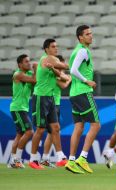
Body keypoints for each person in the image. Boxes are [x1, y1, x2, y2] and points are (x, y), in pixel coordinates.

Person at [65, 25, 101, 174]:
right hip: (83, 92)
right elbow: (73, 70)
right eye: (87, 34)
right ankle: (83, 157)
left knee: (79, 127)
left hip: (74, 93)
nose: (91, 36)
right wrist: (87, 81)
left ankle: (71, 160)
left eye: (91, 33)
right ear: (80, 37)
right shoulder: (82, 50)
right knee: (96, 125)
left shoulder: (76, 50)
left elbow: (71, 68)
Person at [29, 39, 69, 169]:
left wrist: (53, 69)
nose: (56, 49)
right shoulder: (49, 58)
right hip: (41, 96)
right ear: (46, 49)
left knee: (55, 128)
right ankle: (33, 159)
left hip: (50, 97)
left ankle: (60, 156)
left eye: (56, 46)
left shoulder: (52, 61)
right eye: (53, 47)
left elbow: (60, 74)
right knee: (40, 129)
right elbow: (65, 67)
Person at [40, 55, 71, 168]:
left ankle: (45, 158)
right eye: (60, 65)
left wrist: (67, 78)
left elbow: (65, 78)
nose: (61, 68)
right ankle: (57, 157)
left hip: (55, 104)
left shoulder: (58, 74)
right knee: (53, 132)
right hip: (52, 104)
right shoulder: (54, 75)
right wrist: (68, 79)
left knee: (51, 133)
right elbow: (63, 84)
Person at [8, 54, 36, 168]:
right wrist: (36, 69)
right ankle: (17, 159)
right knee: (29, 132)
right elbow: (34, 80)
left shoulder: (27, 73)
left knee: (19, 134)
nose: (28, 63)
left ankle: (12, 161)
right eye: (26, 62)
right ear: (20, 65)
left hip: (21, 108)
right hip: (18, 108)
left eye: (29, 61)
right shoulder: (18, 74)